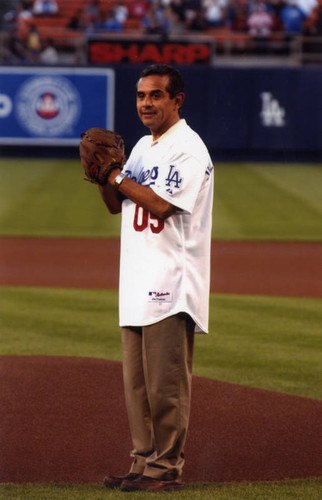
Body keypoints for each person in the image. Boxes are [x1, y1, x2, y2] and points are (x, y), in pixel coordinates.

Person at [99, 64, 214, 492]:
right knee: (138, 387)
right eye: (141, 96)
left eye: (155, 95)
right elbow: (117, 203)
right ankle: (142, 462)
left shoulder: (188, 148)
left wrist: (116, 175)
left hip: (171, 282)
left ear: (176, 100)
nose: (145, 103)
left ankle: (165, 470)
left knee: (166, 387)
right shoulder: (144, 148)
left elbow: (162, 205)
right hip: (136, 281)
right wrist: (102, 177)